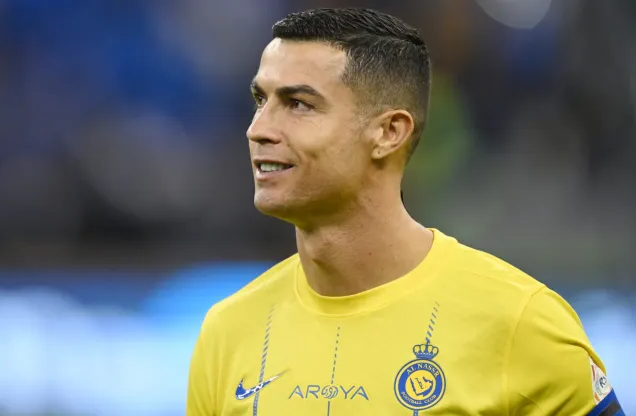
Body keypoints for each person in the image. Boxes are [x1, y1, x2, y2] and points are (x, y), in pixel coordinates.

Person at [186, 8, 622, 416]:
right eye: (261, 100)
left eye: (298, 103)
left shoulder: (522, 324)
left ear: (389, 132)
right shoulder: (227, 332)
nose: (258, 129)